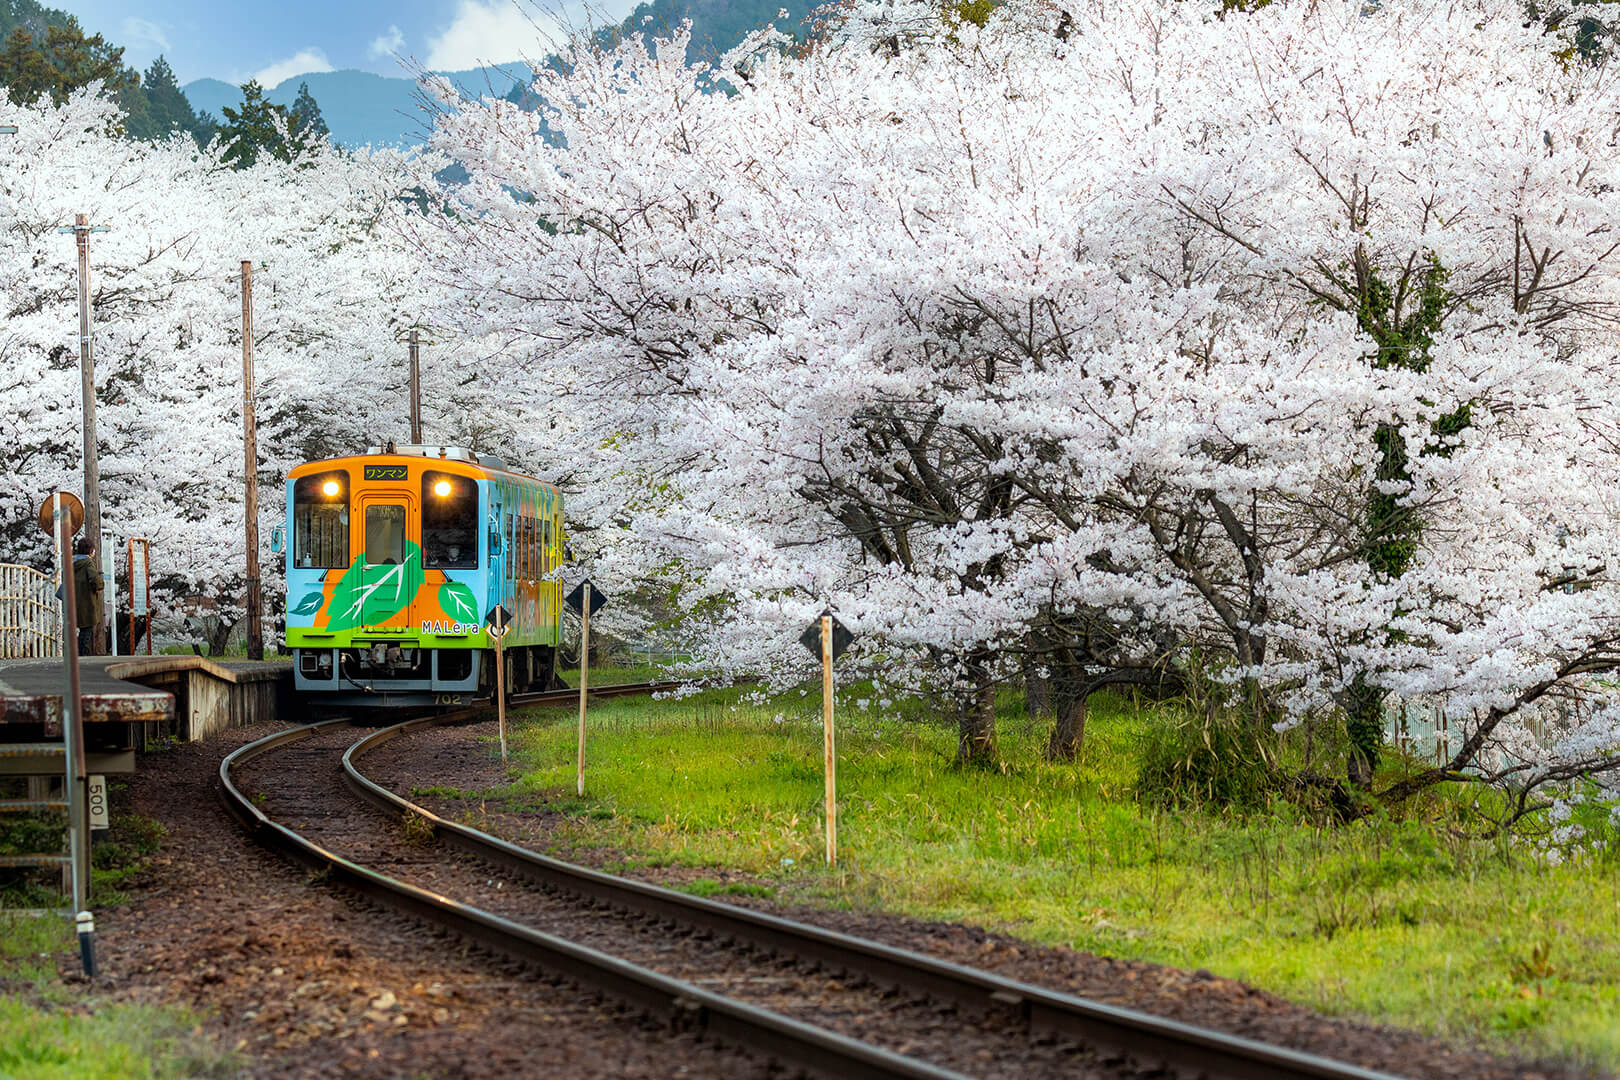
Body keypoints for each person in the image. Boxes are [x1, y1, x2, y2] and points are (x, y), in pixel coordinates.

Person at [72, 536, 104, 656]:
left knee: (79, 628)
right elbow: (94, 580)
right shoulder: (88, 562)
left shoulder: (72, 562)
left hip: (74, 600)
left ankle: (78, 653)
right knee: (87, 629)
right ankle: (82, 654)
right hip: (86, 601)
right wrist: (100, 585)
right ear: (90, 550)